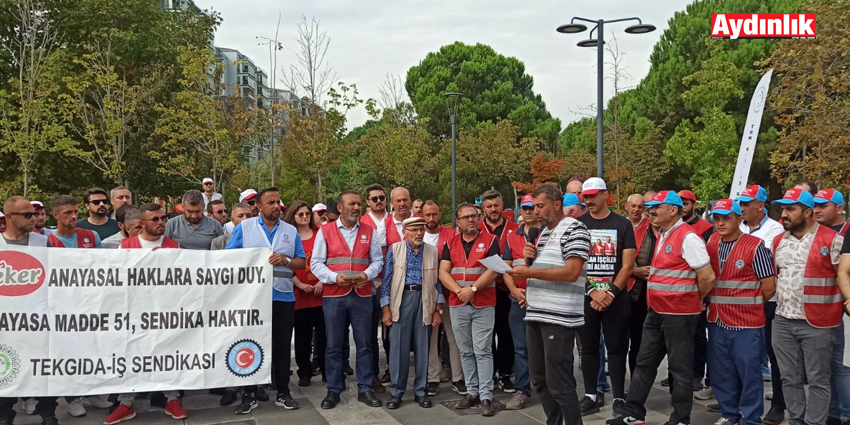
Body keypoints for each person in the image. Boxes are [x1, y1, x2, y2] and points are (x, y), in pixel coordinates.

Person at [608, 190, 715, 425]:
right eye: (651, 206)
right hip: (656, 311)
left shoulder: (688, 237)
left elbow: (707, 276)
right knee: (644, 363)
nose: (651, 210)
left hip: (679, 314)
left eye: (657, 206)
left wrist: (696, 300)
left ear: (674, 210)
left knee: (679, 369)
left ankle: (680, 419)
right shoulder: (665, 234)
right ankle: (633, 414)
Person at [505, 184, 590, 425]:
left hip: (559, 317)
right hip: (535, 314)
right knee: (539, 380)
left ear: (557, 204)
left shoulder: (576, 229)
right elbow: (544, 269)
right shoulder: (542, 233)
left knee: (559, 382)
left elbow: (572, 272)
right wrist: (531, 259)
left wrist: (531, 271)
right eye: (533, 207)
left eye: (541, 206)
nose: (536, 211)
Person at [226, 188, 306, 414]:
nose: (276, 206)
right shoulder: (245, 228)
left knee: (281, 348)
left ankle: (283, 391)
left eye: (278, 201)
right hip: (253, 300)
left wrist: (286, 260)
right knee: (250, 346)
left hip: (283, 296)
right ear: (258, 207)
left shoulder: (290, 230)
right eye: (270, 202)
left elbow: (301, 263)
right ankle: (249, 394)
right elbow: (229, 258)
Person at [106, 203, 185, 424]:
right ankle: (126, 403)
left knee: (169, 355)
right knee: (131, 356)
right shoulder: (125, 247)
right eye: (155, 219)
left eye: (164, 218)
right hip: (133, 314)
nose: (161, 223)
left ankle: (172, 399)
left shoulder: (174, 246)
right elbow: (113, 280)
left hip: (165, 314)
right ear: (141, 223)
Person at [771, 188, 843, 425]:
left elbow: (844, 276)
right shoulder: (778, 241)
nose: (784, 214)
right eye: (783, 209)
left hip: (819, 323)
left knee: (818, 380)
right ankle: (796, 421)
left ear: (808, 212)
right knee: (788, 379)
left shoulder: (832, 239)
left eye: (790, 209)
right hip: (783, 321)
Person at [310, 191, 384, 410]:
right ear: (340, 208)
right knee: (333, 346)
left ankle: (365, 389)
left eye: (359, 204)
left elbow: (377, 261)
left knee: (365, 345)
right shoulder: (325, 231)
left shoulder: (370, 232)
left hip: (362, 296)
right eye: (352, 204)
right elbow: (316, 263)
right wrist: (334, 278)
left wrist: (366, 275)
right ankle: (334, 390)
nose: (357, 207)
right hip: (335, 296)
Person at [705, 199, 776, 425]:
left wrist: (749, 304)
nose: (720, 223)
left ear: (739, 219)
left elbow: (769, 286)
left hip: (747, 323)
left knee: (749, 374)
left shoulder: (756, 246)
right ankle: (729, 414)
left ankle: (751, 418)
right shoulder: (712, 244)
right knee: (721, 372)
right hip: (717, 320)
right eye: (717, 219)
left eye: (726, 218)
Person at [575, 178, 635, 417]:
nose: (588, 200)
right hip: (586, 296)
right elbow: (574, 264)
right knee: (588, 348)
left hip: (615, 298)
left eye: (593, 196)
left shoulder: (623, 224)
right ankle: (591, 395)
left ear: (605, 195)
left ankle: (619, 397)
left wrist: (610, 293)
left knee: (617, 350)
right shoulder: (577, 225)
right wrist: (592, 291)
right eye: (585, 197)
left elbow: (628, 264)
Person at [0, 197, 61, 425]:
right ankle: (5, 416)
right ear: (9, 217)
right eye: (27, 215)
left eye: (35, 214)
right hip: (5, 325)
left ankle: (48, 414)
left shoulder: (43, 243)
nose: (34, 218)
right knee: (5, 370)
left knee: (43, 369)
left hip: (38, 321)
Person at [439, 203, 501, 416]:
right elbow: (443, 272)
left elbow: (493, 271)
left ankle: (486, 396)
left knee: (483, 350)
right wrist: (459, 290)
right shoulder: (450, 242)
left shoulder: (491, 241)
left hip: (483, 303)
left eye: (473, 216)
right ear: (457, 222)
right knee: (465, 351)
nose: (470, 220)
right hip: (458, 304)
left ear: (479, 217)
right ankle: (472, 391)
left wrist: (473, 289)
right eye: (465, 217)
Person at [735, 184, 786, 425]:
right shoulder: (738, 226)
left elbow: (768, 267)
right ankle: (738, 402)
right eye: (741, 203)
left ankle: (778, 404)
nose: (742, 207)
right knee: (742, 356)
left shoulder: (775, 230)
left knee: (773, 355)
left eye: (747, 203)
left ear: (761, 205)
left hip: (767, 301)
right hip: (738, 303)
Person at [381, 217, 444, 409]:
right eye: (414, 230)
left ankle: (421, 391)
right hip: (401, 299)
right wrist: (386, 308)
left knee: (423, 347)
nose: (419, 233)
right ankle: (396, 392)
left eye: (421, 229)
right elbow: (387, 279)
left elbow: (439, 282)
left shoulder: (433, 251)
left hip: (425, 299)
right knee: (398, 347)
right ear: (405, 232)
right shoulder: (395, 249)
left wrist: (438, 309)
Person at [209, 201, 255, 406]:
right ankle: (230, 387)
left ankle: (255, 387)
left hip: (255, 301)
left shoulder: (261, 242)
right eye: (240, 216)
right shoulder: (219, 243)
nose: (245, 220)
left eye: (248, 215)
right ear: (232, 220)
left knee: (256, 342)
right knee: (230, 344)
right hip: (229, 303)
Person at [813, 189, 850, 425]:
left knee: (842, 363)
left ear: (839, 208)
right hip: (821, 312)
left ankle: (845, 412)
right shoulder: (814, 233)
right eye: (814, 205)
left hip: (843, 311)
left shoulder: (846, 231)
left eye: (823, 205)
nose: (816, 210)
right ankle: (835, 411)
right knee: (827, 366)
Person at [500, 194, 540, 411]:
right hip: (519, 301)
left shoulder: (547, 233)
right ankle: (522, 390)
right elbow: (506, 268)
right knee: (521, 349)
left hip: (543, 299)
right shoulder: (511, 237)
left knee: (547, 347)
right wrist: (514, 290)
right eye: (524, 208)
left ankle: (552, 388)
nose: (528, 211)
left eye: (532, 207)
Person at [423, 200, 466, 397]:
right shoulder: (418, 235)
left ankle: (458, 378)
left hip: (450, 294)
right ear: (422, 216)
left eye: (434, 214)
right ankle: (432, 378)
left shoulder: (452, 235)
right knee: (430, 340)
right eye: (427, 215)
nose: (431, 218)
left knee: (454, 337)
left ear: (440, 215)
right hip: (427, 296)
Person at [479, 189, 518, 393]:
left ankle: (505, 373)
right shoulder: (476, 228)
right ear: (483, 208)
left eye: (496, 205)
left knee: (505, 332)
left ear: (503, 205)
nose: (493, 209)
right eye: (489, 206)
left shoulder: (515, 228)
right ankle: (489, 372)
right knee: (486, 333)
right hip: (484, 288)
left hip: (506, 288)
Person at [284, 201, 327, 387]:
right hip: (299, 295)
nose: (304, 217)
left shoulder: (320, 235)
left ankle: (327, 370)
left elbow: (330, 260)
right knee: (302, 337)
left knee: (325, 336)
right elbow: (283, 263)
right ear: (293, 216)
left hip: (321, 294)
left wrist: (322, 281)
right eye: (300, 214)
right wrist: (299, 284)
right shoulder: (288, 237)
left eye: (307, 214)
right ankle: (304, 372)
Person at [677, 189, 714, 398]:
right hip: (679, 292)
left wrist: (701, 295)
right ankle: (682, 374)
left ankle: (697, 374)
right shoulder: (674, 228)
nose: (683, 207)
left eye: (686, 203)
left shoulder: (705, 228)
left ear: (693, 205)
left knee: (698, 335)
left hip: (697, 289)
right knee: (682, 336)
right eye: (680, 203)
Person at [360, 184, 392, 391]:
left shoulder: (395, 220)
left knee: (391, 330)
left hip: (392, 281)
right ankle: (371, 375)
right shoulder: (361, 222)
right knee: (369, 332)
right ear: (368, 202)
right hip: (369, 282)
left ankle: (393, 368)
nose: (379, 201)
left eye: (382, 197)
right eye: (374, 198)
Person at [626, 194, 656, 376]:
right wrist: (633, 271)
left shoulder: (650, 228)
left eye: (641, 206)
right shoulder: (620, 226)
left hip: (645, 292)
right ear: (626, 206)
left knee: (640, 340)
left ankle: (640, 380)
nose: (637, 209)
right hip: (625, 289)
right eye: (634, 206)